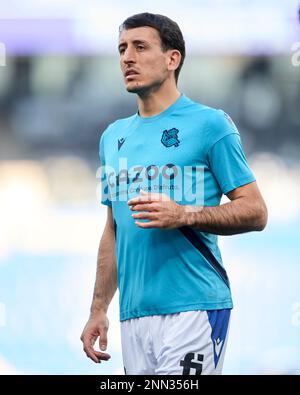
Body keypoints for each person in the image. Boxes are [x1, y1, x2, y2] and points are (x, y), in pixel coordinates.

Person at [80, 12, 268, 375]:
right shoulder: (112, 137)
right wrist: (98, 308)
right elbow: (114, 230)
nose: (127, 58)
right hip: (134, 316)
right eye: (122, 49)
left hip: (194, 307)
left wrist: (185, 215)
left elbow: (256, 211)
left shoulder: (210, 124)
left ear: (172, 59)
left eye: (140, 47)